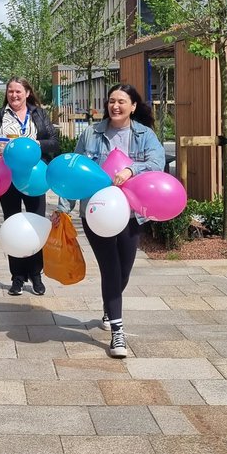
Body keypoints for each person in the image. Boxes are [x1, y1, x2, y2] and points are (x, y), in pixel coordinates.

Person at [75, 82, 165, 358]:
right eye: (112, 101)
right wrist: (62, 208)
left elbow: (157, 162)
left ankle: (108, 305)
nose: (115, 106)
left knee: (124, 270)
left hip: (131, 213)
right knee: (111, 268)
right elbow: (75, 171)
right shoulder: (91, 133)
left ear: (133, 106)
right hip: (97, 212)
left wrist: (131, 168)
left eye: (121, 101)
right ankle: (117, 331)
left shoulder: (144, 135)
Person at [0, 76, 60, 296]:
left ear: (27, 93)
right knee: (12, 224)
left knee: (36, 224)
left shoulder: (39, 115)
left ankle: (36, 275)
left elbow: (54, 142)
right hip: (7, 178)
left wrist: (37, 144)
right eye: (10, 91)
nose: (14, 95)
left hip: (35, 178)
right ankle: (16, 277)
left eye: (18, 91)